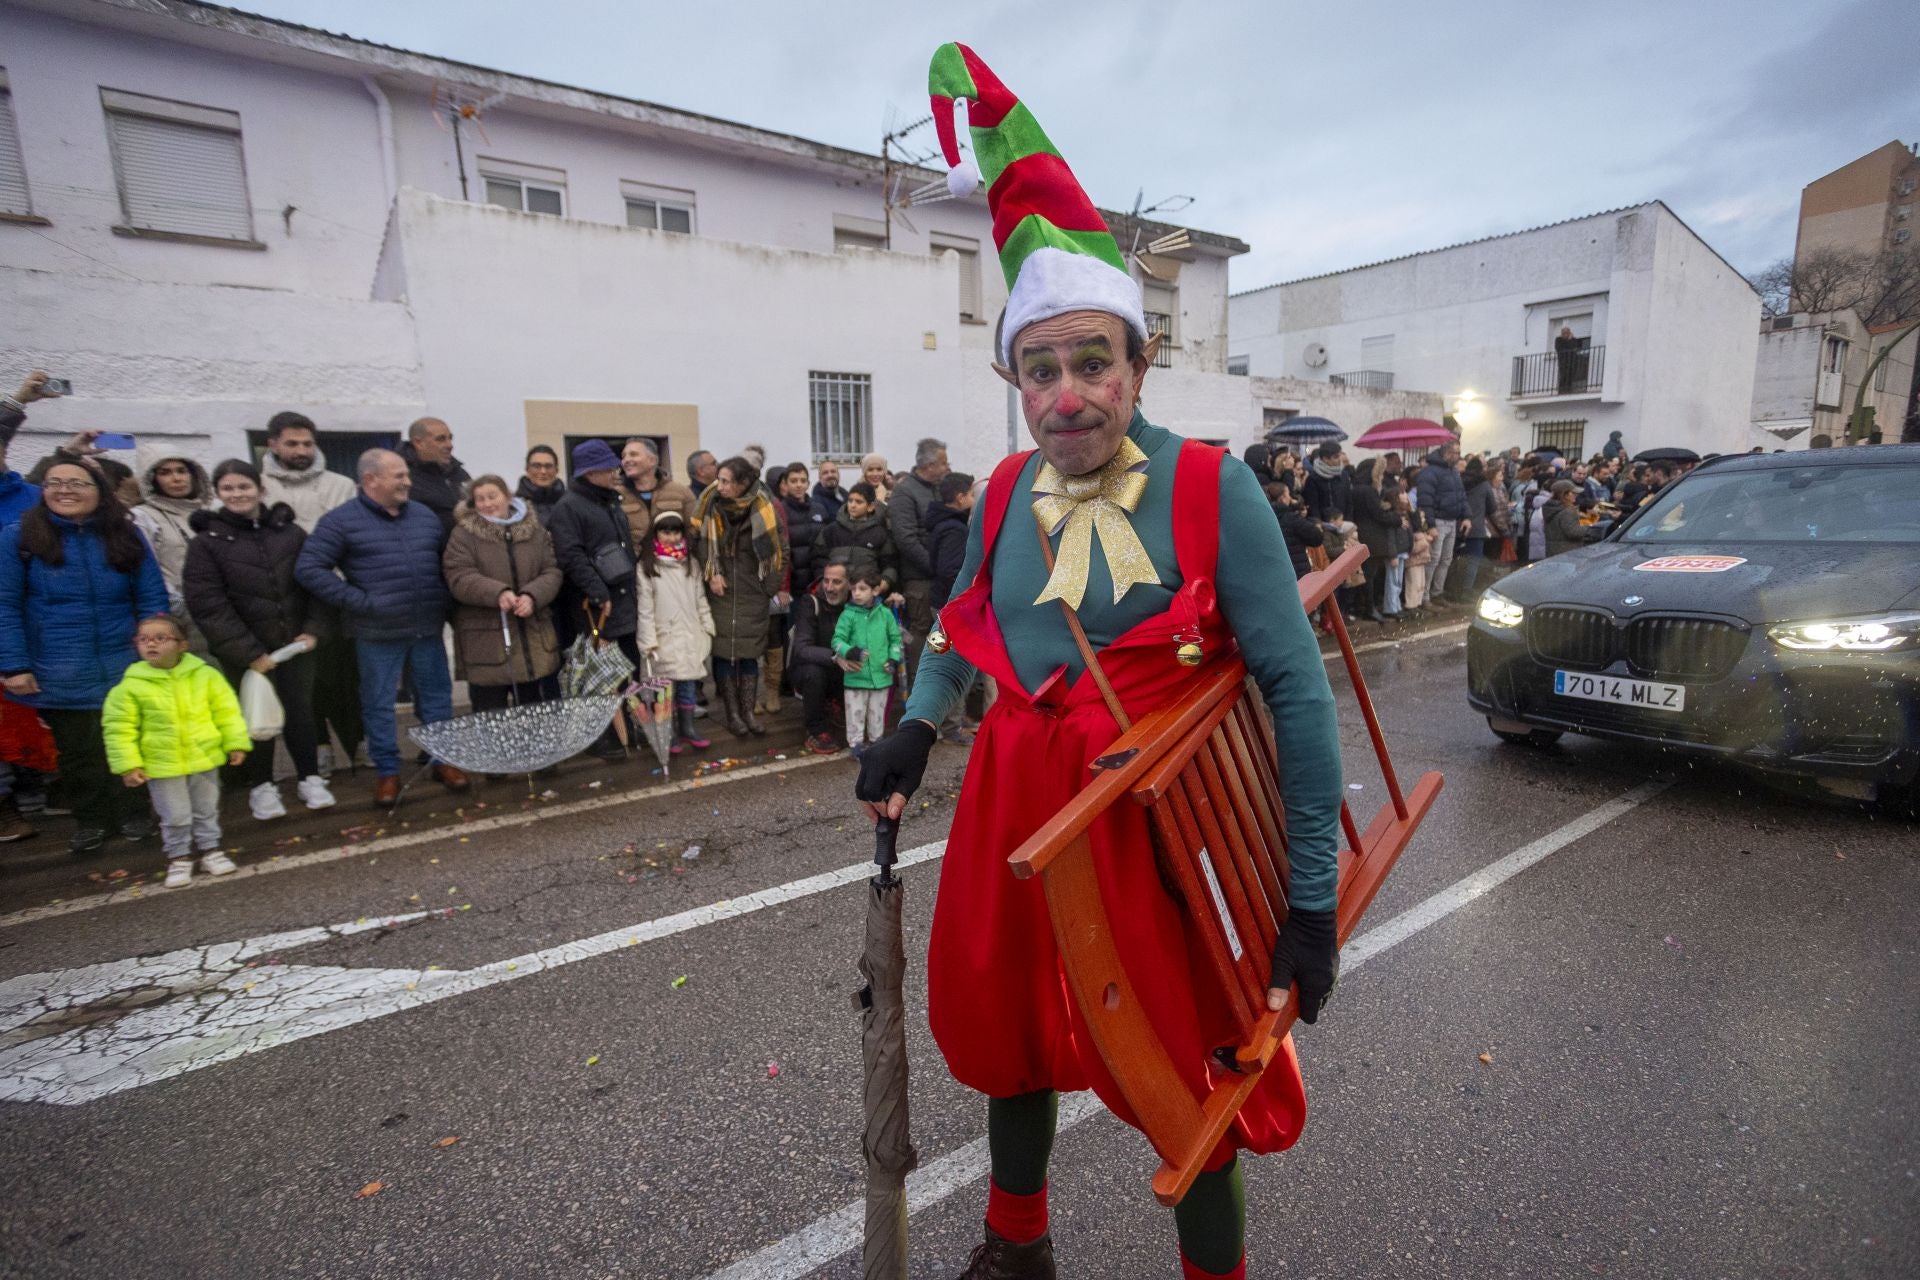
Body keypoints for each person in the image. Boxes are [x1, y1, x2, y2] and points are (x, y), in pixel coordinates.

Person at [857, 46, 1343, 1277]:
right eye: (1042, 368)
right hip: (1016, 803)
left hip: (1154, 826)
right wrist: (920, 723)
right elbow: (959, 620)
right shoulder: (1006, 485)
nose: (1068, 395)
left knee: (1191, 1075)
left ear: (1137, 364)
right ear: (1014, 375)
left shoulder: (1210, 485)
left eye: (1093, 364)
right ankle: (1017, 1244)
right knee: (1009, 1029)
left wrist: (1311, 895)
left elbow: (1293, 686)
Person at [0, 460, 168, 853]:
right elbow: (4, 605)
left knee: (131, 743)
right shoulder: (19, 538)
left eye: (77, 483)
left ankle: (136, 813)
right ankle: (92, 820)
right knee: (78, 753)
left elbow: (151, 596)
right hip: (58, 663)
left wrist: (155, 644)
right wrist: (14, 664)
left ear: (99, 491)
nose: (65, 490)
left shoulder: (125, 534)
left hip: (124, 660)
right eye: (54, 483)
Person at [295, 449, 467, 804]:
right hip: (377, 634)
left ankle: (442, 760)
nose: (407, 482)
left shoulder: (423, 516)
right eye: (399, 476)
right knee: (378, 704)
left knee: (436, 699)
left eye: (407, 475)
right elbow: (309, 569)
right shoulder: (340, 521)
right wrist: (360, 601)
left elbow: (442, 563)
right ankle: (387, 772)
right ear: (370, 480)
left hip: (426, 626)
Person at [183, 459, 333, 819]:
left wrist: (313, 630)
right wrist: (249, 652)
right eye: (228, 488)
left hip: (296, 645)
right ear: (218, 494)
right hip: (248, 653)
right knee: (256, 719)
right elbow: (207, 603)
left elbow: (315, 582)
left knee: (301, 712)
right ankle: (262, 786)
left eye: (244, 486)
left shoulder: (290, 533)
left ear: (260, 489)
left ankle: (310, 777)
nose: (238, 494)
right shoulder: (207, 543)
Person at [102, 616, 249, 887]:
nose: (151, 644)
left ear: (182, 645)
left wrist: (235, 743)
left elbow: (227, 711)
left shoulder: (205, 675)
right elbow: (119, 729)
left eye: (160, 638)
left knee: (206, 809)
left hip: (204, 757)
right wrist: (129, 765)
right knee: (175, 815)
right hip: (161, 764)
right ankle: (179, 857)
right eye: (144, 639)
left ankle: (211, 850)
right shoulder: (130, 685)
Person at [258, 410, 363, 770]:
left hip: (334, 594)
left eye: (307, 443)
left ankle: (358, 743)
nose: (300, 450)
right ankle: (319, 747)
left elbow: (352, 540)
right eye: (292, 443)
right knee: (304, 682)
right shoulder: (260, 489)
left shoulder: (340, 485)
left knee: (345, 676)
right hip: (286, 599)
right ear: (273, 444)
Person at [547, 440, 642, 758]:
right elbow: (571, 555)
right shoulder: (569, 507)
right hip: (595, 606)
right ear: (590, 472)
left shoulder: (609, 500)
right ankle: (601, 736)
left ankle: (627, 727)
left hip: (624, 597)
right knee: (598, 673)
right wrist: (598, 592)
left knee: (626, 666)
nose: (615, 471)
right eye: (607, 467)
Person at [443, 475, 564, 714]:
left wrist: (532, 595)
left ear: (507, 497)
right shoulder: (463, 535)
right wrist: (498, 592)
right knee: (491, 715)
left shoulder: (534, 530)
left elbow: (551, 570)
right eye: (480, 499)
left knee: (532, 713)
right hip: (486, 641)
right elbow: (458, 576)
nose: (487, 504)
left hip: (532, 639)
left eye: (492, 496)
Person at [694, 456, 784, 738]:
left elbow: (781, 551)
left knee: (747, 656)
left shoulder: (764, 507)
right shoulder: (709, 504)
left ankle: (747, 711)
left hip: (751, 593)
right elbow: (699, 543)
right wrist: (712, 574)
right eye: (718, 479)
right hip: (721, 592)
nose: (718, 486)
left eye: (725, 481)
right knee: (723, 655)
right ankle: (732, 715)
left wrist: (767, 589)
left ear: (743, 483)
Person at [635, 510, 713, 754]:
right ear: (656, 533)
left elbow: (700, 597)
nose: (670, 537)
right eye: (665, 532)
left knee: (688, 685)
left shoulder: (690, 562)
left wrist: (707, 624)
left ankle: (688, 729)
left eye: (675, 531)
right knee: (665, 688)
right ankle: (668, 733)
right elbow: (645, 607)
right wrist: (648, 641)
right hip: (663, 636)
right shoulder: (648, 565)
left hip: (690, 632)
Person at [129, 442, 213, 644]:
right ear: (152, 479)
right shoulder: (142, 517)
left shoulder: (209, 513)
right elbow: (145, 568)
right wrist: (177, 605)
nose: (176, 478)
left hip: (217, 608)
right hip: (177, 615)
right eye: (165, 473)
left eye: (181, 471)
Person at [888, 436, 950, 654]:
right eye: (944, 463)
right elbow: (906, 540)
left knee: (941, 635)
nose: (947, 467)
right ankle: (919, 683)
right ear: (930, 465)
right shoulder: (904, 493)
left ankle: (940, 681)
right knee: (923, 632)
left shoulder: (937, 488)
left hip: (939, 577)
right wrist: (935, 567)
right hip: (920, 580)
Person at [832, 571, 902, 758]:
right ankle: (855, 745)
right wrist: (849, 651)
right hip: (856, 676)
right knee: (855, 713)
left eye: (862, 589)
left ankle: (876, 742)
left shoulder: (886, 615)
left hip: (881, 675)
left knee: (877, 713)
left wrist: (893, 659)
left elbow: (895, 640)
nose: (856, 593)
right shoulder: (847, 615)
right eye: (853, 589)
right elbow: (837, 640)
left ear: (876, 590)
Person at [788, 560, 853, 755]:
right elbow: (801, 648)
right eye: (826, 581)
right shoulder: (811, 602)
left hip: (842, 668)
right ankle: (816, 730)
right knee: (813, 672)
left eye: (836, 582)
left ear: (849, 584)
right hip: (810, 669)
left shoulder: (856, 603)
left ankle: (843, 711)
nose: (830, 588)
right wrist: (834, 657)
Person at [813, 481, 899, 589]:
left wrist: (886, 579)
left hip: (866, 592)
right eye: (850, 501)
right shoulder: (831, 530)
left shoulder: (880, 533)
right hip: (834, 590)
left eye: (859, 502)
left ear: (870, 507)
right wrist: (823, 578)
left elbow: (890, 563)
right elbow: (818, 559)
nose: (853, 505)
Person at [1414, 442, 1468, 608]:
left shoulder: (1453, 472)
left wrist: (1467, 516)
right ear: (1445, 453)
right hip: (1437, 520)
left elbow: (1461, 496)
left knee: (1445, 559)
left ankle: (1437, 593)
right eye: (1455, 453)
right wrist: (1431, 524)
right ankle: (1424, 596)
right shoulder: (1429, 473)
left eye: (1459, 452)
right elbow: (1425, 500)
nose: (1458, 456)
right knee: (1433, 559)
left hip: (1451, 520)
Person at [400, 417, 470, 533]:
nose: (449, 445)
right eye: (440, 439)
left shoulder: (457, 472)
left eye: (450, 438)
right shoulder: (403, 476)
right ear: (418, 443)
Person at [619, 438, 698, 533]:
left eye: (633, 454)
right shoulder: (615, 494)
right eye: (623, 456)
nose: (626, 460)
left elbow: (694, 529)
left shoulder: (681, 492)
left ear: (652, 460)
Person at [1348, 458, 1393, 622]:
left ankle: (1365, 607)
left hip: (1364, 534)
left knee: (1367, 574)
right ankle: (1369, 608)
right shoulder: (1368, 491)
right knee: (1370, 575)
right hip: (1372, 536)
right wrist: (1396, 518)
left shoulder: (1356, 488)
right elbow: (1378, 514)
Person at [777, 462, 826, 597]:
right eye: (793, 481)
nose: (799, 485)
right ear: (785, 484)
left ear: (808, 484)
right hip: (791, 587)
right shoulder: (779, 511)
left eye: (803, 481)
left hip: (817, 581)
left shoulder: (819, 509)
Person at [927, 471, 976, 606]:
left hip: (942, 597)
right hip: (949, 602)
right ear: (960, 498)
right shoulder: (954, 529)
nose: (974, 500)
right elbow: (949, 571)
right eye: (972, 495)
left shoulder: (944, 521)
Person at [516, 445, 566, 525]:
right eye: (536, 466)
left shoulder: (569, 504)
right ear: (527, 470)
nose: (543, 471)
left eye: (548, 466)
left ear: (556, 470)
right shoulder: (515, 506)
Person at [1544, 479, 1588, 556]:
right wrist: (1589, 527)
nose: (1576, 495)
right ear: (1565, 495)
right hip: (1568, 551)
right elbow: (1573, 532)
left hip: (1553, 550)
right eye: (1573, 493)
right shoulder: (1567, 511)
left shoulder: (1551, 508)